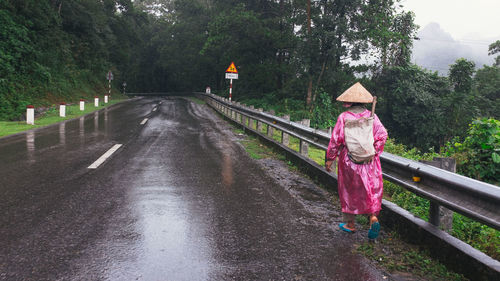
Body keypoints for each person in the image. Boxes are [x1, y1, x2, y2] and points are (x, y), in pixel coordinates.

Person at [325, 82, 388, 239]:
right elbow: (382, 135)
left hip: (348, 160)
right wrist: (374, 152)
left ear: (348, 102)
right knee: (370, 188)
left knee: (348, 190)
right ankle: (373, 217)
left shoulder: (344, 117)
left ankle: (350, 224)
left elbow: (336, 140)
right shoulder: (372, 116)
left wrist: (330, 158)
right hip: (369, 161)